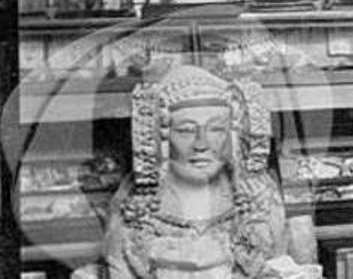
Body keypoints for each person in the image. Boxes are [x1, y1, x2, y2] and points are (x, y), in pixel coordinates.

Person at [104, 64, 287, 278]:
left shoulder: (259, 199)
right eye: (186, 131)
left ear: (232, 135)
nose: (201, 144)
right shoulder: (136, 205)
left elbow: (277, 266)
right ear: (161, 138)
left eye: (216, 129)